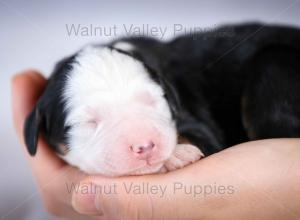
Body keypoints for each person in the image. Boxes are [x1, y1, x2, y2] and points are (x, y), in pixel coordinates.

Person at [12, 70, 300, 220]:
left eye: (151, 103)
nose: (143, 144)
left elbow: (200, 129)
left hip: (279, 63)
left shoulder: (154, 79)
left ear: (168, 97)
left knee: (272, 84)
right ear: (37, 129)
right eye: (88, 123)